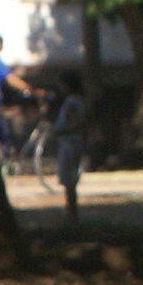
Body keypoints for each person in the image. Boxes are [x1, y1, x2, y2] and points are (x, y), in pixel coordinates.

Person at [49, 68, 90, 221]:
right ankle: (71, 211)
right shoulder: (77, 101)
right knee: (69, 179)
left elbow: (75, 122)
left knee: (69, 179)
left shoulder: (72, 102)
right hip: (71, 141)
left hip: (69, 141)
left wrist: (61, 130)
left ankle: (72, 213)